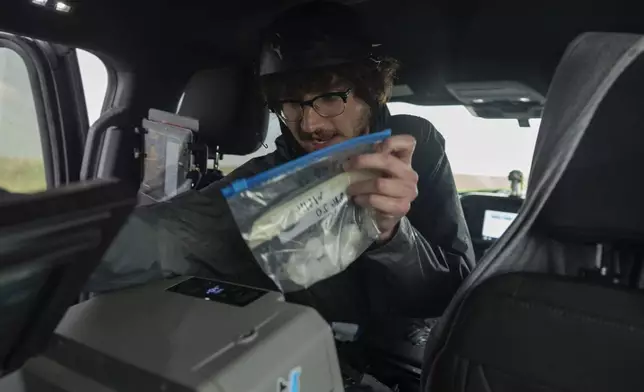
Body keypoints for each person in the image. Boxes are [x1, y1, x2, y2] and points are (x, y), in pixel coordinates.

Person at [86, 1, 474, 382]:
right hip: (298, 359)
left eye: (328, 97)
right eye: (289, 103)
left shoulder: (415, 146)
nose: (308, 123)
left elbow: (454, 293)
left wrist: (391, 232)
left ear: (370, 92)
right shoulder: (263, 182)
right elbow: (164, 235)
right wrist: (60, 244)